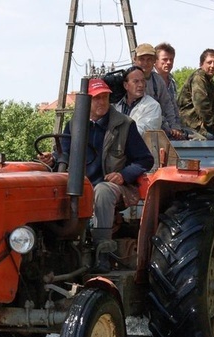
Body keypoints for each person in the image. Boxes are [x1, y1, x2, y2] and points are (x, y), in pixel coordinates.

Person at [38, 78, 154, 273]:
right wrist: (53, 159)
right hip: (80, 184)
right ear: (86, 102)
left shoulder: (124, 125)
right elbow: (65, 153)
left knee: (101, 191)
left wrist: (123, 175)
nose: (102, 102)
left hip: (114, 186)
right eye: (96, 98)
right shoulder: (74, 124)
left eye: (105, 97)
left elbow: (145, 160)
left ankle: (103, 252)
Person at [177, 48, 214, 140]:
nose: (212, 66)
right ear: (201, 64)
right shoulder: (198, 78)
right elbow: (202, 106)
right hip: (191, 126)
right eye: (209, 62)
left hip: (203, 126)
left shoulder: (210, 82)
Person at [132, 43, 183, 139]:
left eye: (149, 60)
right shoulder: (126, 78)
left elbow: (167, 105)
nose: (145, 63)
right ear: (135, 60)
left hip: (155, 125)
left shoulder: (158, 80)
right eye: (141, 59)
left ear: (154, 61)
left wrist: (174, 126)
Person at [114, 66, 162, 135]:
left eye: (143, 81)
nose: (141, 85)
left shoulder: (153, 106)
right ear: (125, 85)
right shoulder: (116, 105)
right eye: (136, 81)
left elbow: (142, 131)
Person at [154, 42, 187, 140]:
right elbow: (155, 111)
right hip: (156, 128)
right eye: (164, 59)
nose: (168, 62)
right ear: (155, 61)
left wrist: (176, 127)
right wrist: (170, 128)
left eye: (171, 59)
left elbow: (173, 108)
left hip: (173, 128)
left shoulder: (172, 82)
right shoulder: (149, 81)